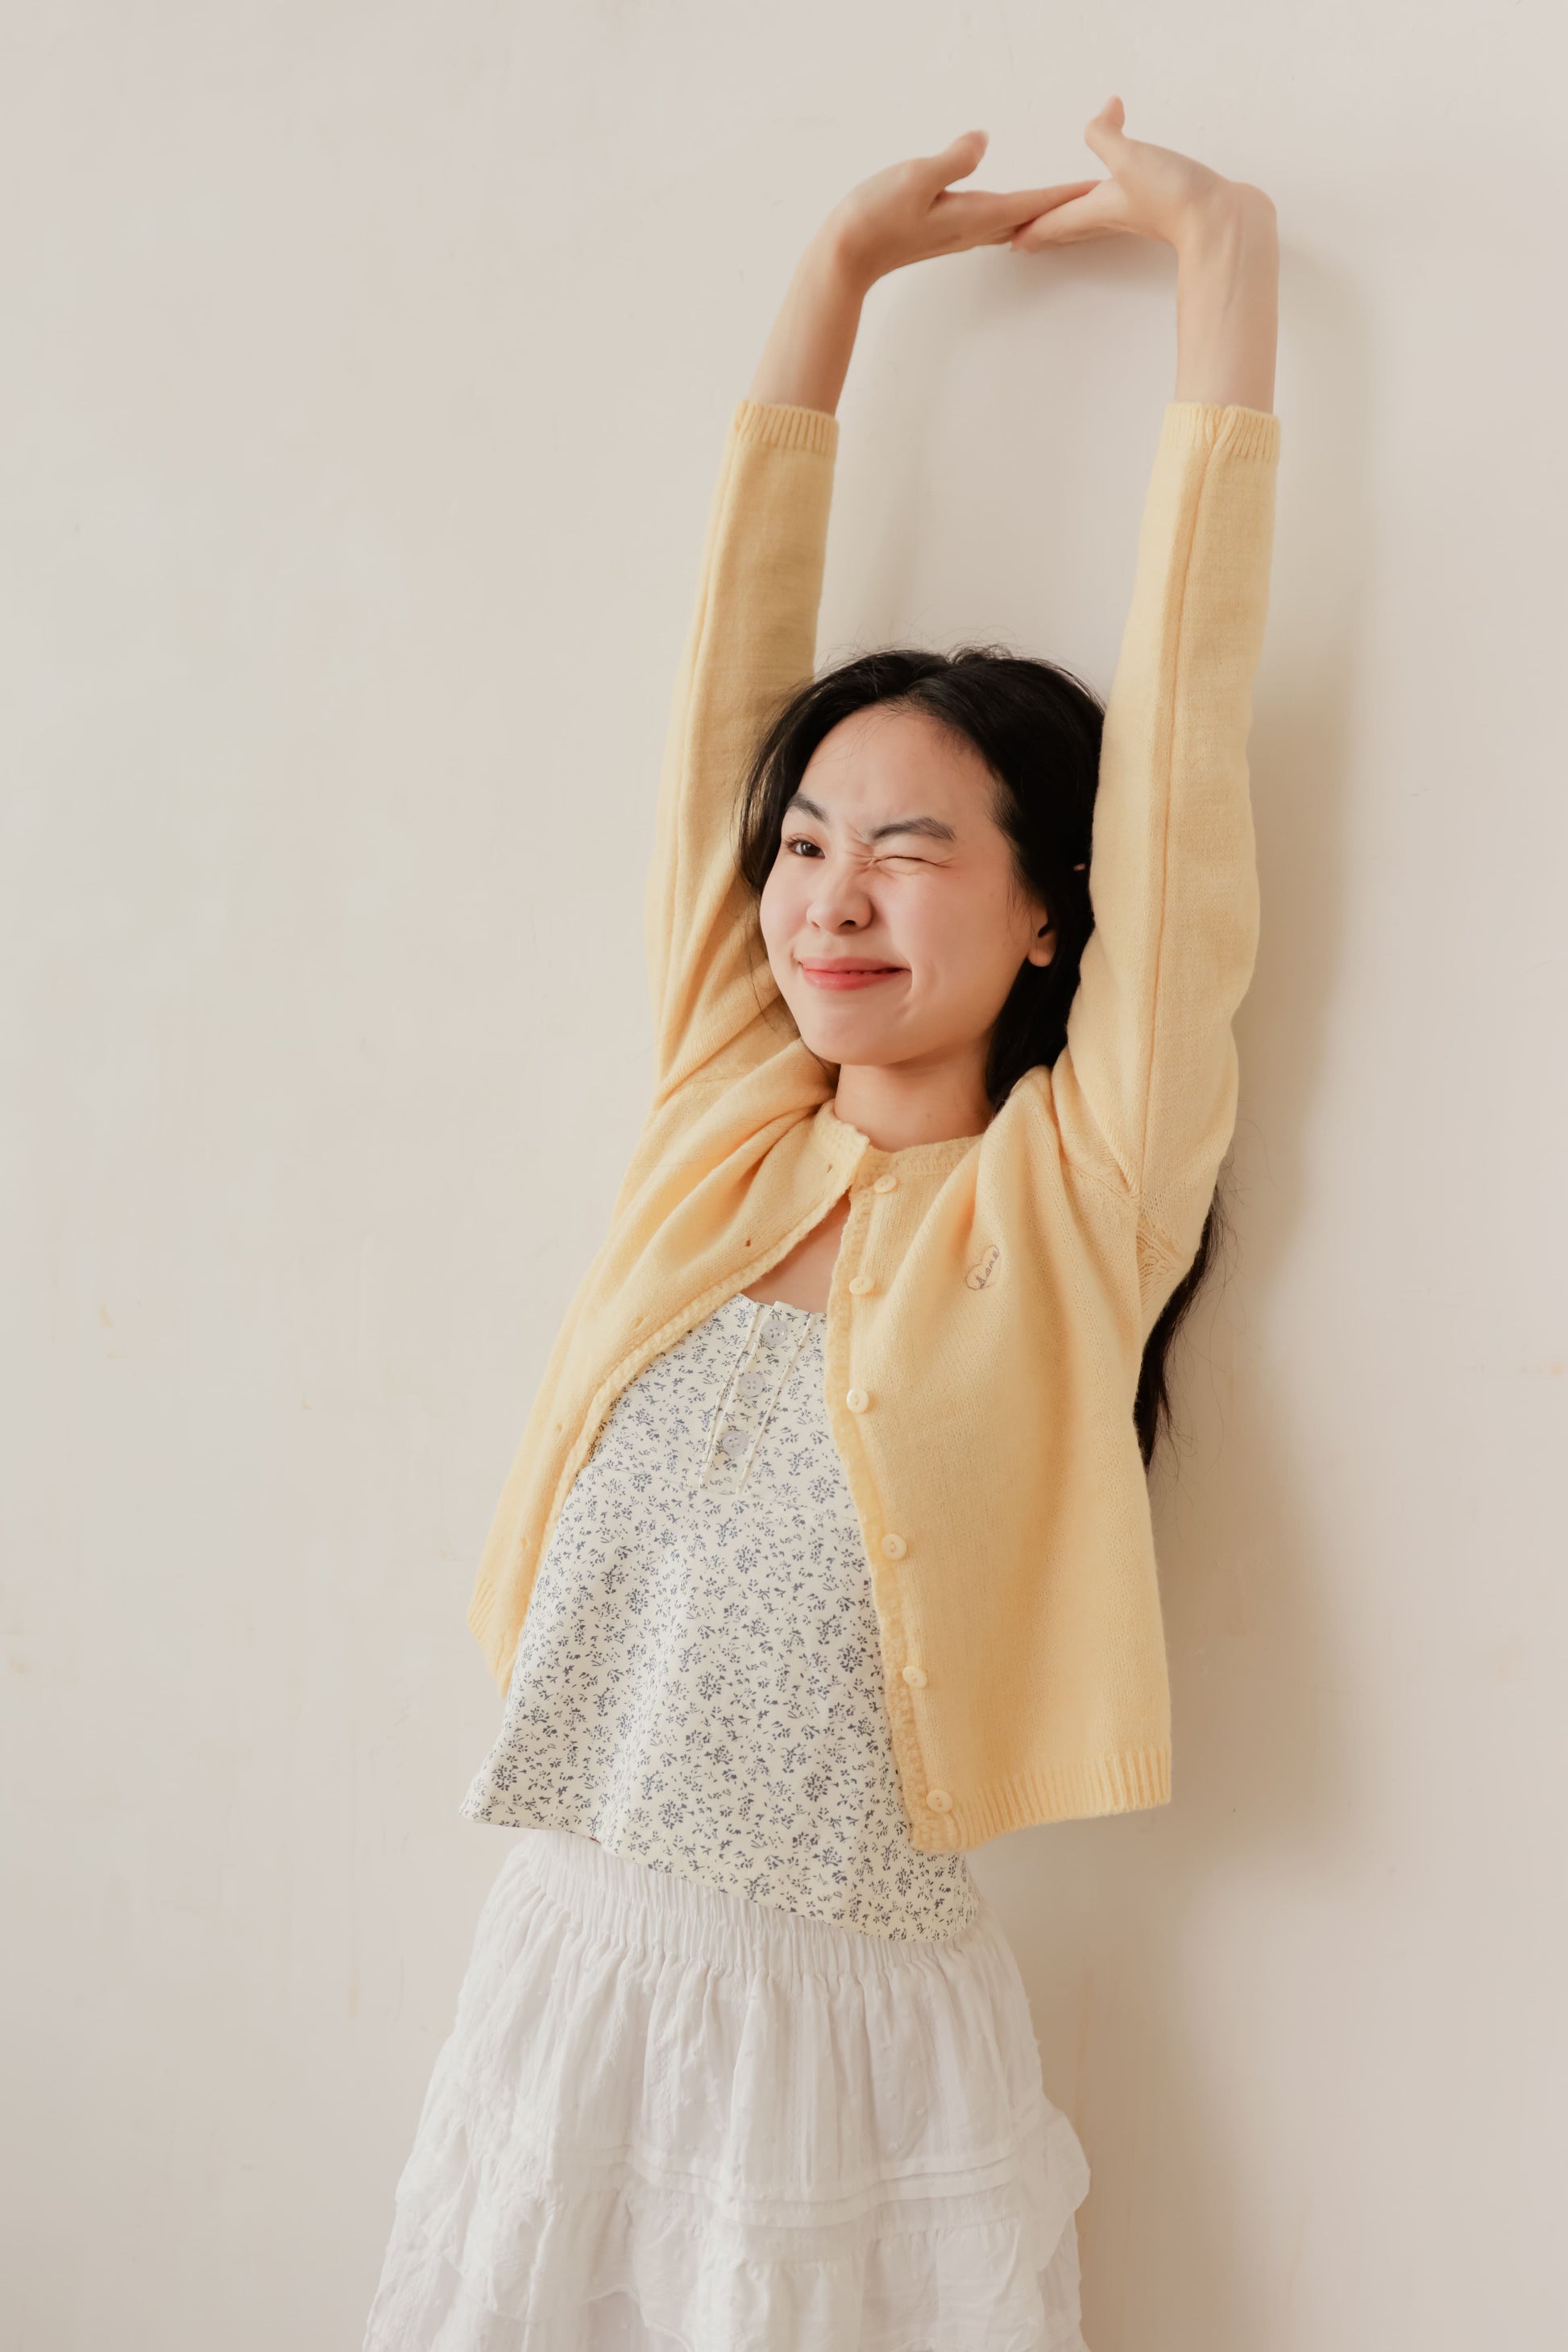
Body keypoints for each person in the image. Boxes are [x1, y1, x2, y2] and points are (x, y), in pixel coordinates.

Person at [363, 98, 1280, 2352]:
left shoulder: (1072, 1199)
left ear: (1052, 917)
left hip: (843, 2048)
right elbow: (720, 721)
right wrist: (825, 291)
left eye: (910, 850)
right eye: (805, 846)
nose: (827, 895)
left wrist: (1223, 286)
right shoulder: (720, 1115)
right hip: (564, 1962)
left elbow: (1179, 760)